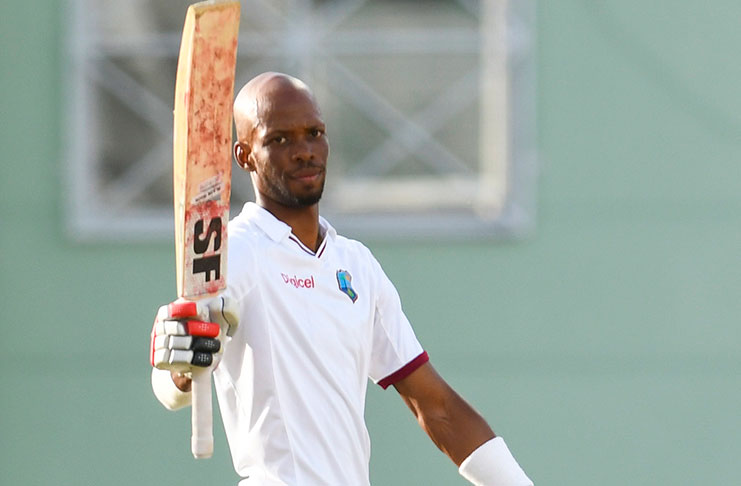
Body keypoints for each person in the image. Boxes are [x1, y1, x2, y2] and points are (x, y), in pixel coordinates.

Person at [150, 72, 533, 486]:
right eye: (279, 139)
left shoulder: (357, 266)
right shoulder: (235, 252)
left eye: (314, 133)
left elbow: (434, 405)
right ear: (245, 156)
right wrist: (180, 368)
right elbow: (172, 375)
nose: (304, 152)